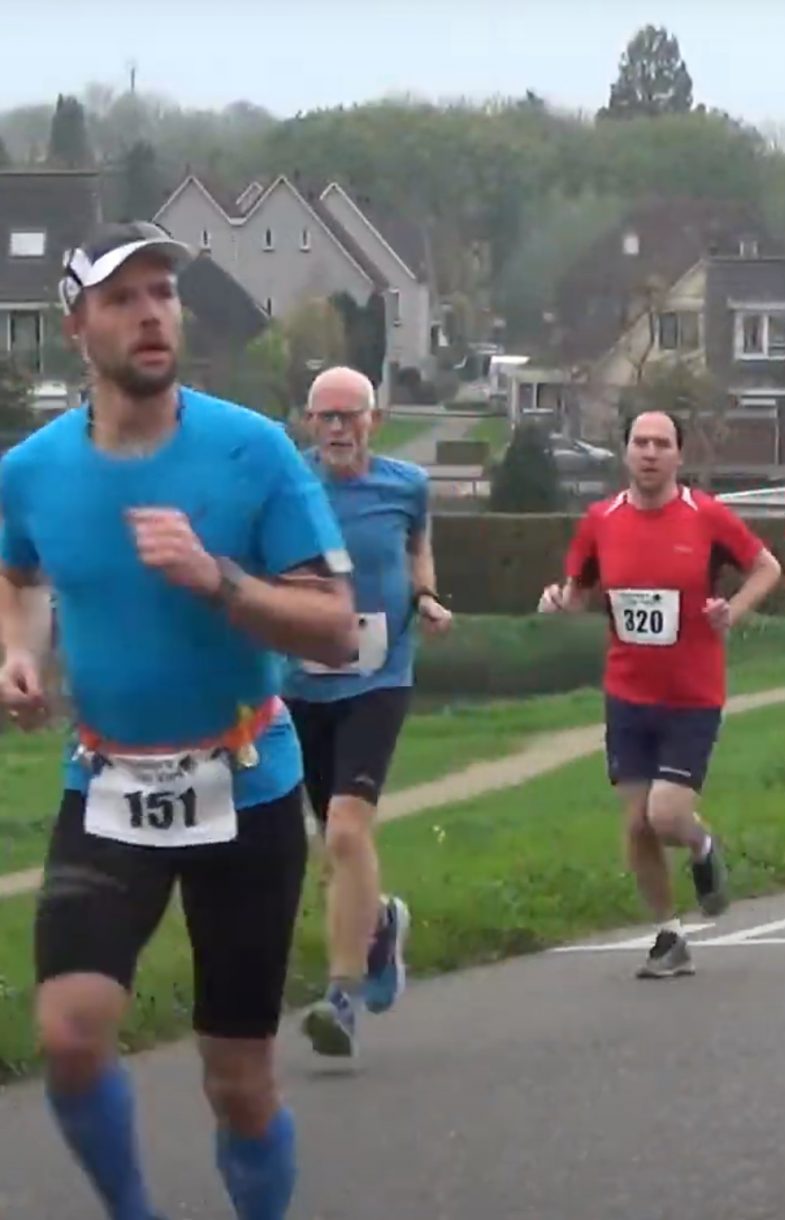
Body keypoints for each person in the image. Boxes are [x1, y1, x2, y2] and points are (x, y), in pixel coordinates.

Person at [2, 222, 358, 1220]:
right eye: (123, 298)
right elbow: (17, 569)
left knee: (237, 1082)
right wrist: (17, 649)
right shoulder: (32, 470)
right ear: (79, 328)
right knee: (72, 1036)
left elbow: (333, 627)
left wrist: (219, 579)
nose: (153, 313)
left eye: (163, 292)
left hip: (245, 787)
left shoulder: (250, 451)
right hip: (108, 785)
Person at [539, 411, 781, 977]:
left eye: (661, 444)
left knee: (667, 816)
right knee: (635, 824)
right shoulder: (600, 521)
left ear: (678, 455)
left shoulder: (706, 515)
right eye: (640, 443)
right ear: (625, 453)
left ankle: (700, 847)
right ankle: (668, 935)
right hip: (627, 692)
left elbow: (767, 567)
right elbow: (577, 593)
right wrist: (557, 602)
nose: (649, 453)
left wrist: (733, 611)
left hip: (692, 693)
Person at [287, 367, 451, 1061]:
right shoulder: (285, 483)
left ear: (374, 421)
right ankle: (380, 922)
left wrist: (428, 597)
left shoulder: (405, 485)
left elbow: (418, 548)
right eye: (324, 416)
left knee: (349, 835)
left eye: (348, 416)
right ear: (308, 423)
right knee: (329, 837)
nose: (335, 429)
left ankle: (343, 1000)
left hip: (379, 677)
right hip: (299, 684)